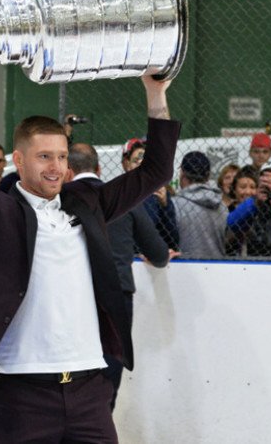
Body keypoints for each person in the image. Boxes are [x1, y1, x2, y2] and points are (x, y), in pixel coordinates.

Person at [0, 68, 179, 443]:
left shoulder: (89, 202)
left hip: (89, 391)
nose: (56, 168)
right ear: (19, 158)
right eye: (45, 156)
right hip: (21, 396)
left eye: (62, 156)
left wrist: (155, 92)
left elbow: (157, 170)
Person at [68, 142, 174, 411]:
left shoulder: (60, 200)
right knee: (107, 379)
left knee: (69, 377)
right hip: (117, 294)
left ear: (67, 170)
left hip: (74, 294)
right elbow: (159, 254)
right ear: (99, 167)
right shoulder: (123, 197)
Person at [170, 151, 228, 258]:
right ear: (208, 175)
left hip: (184, 267)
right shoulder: (222, 206)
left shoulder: (174, 205)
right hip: (219, 266)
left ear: (182, 173)